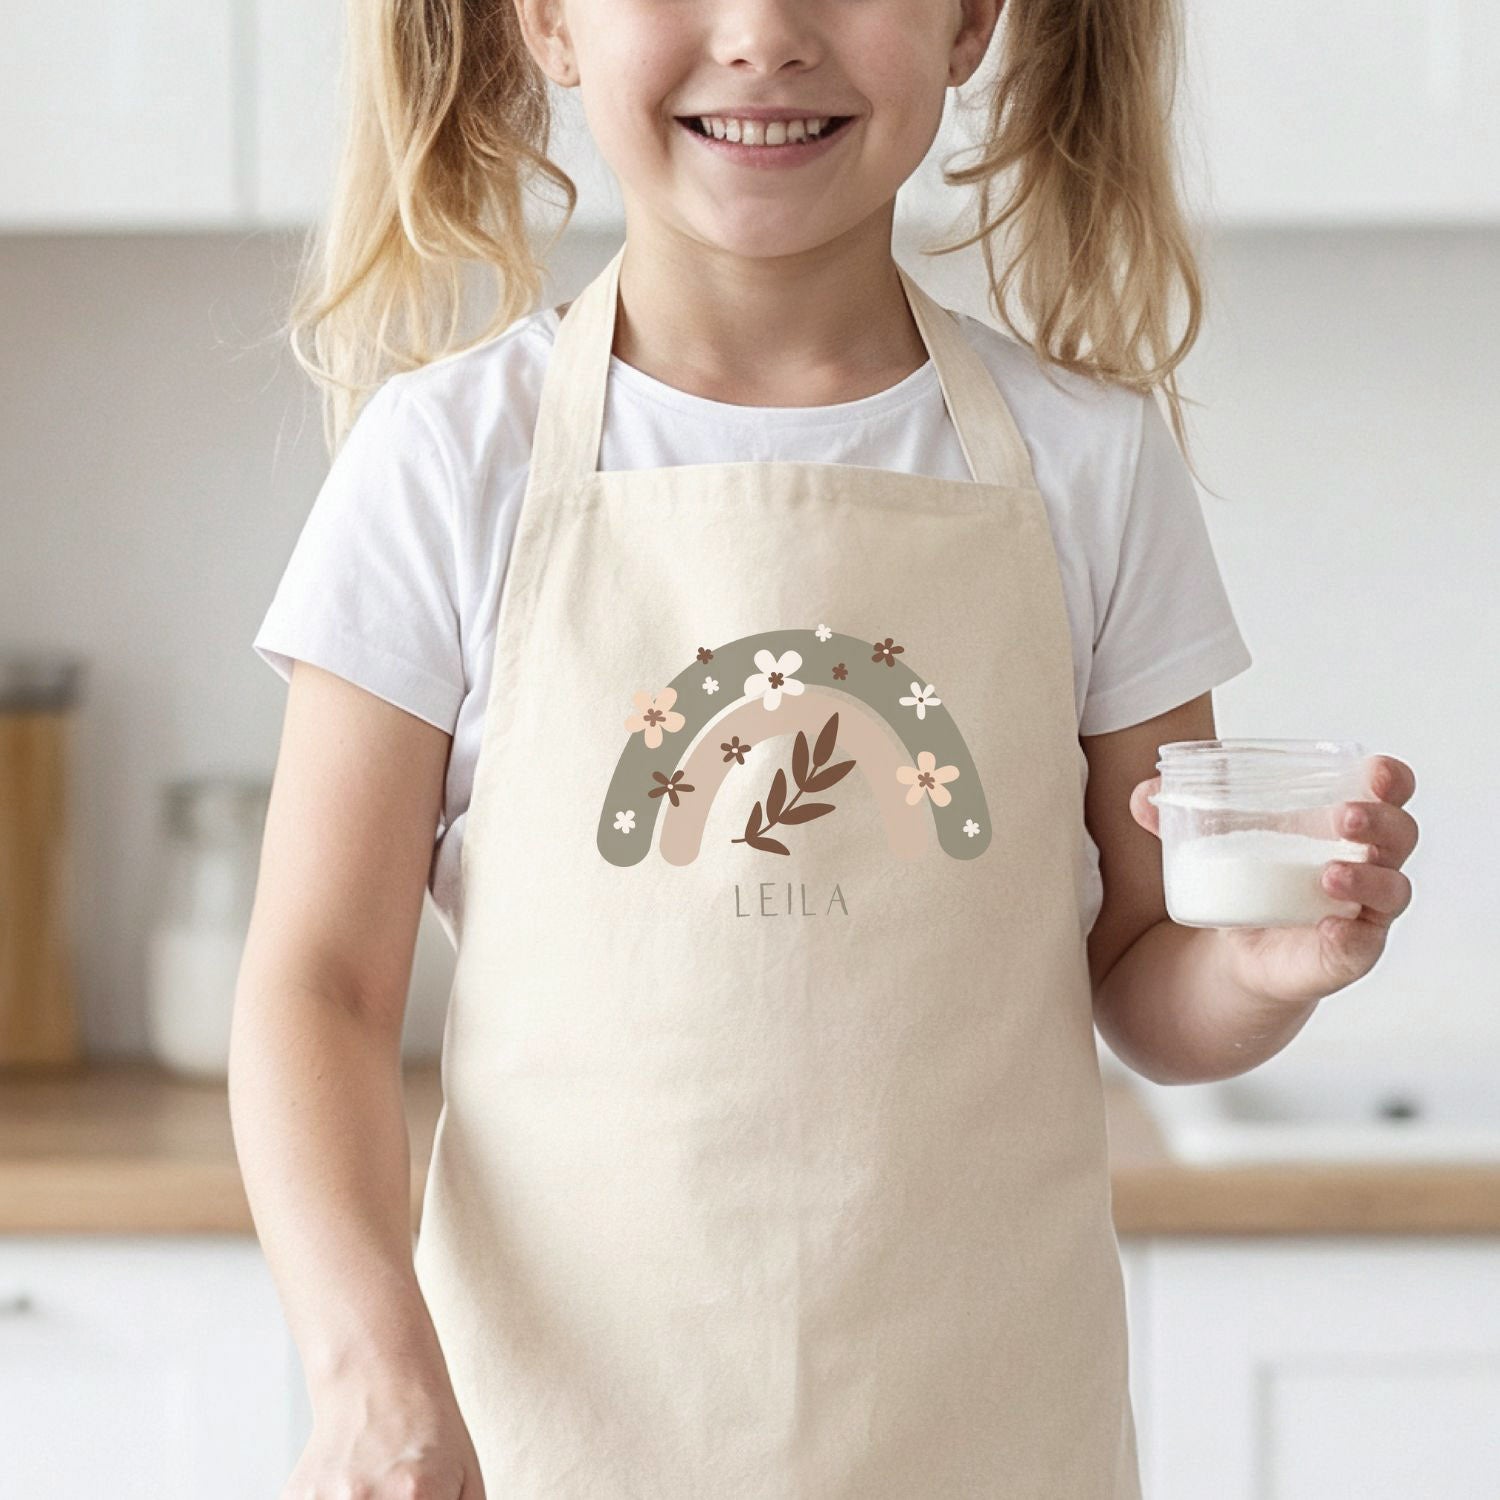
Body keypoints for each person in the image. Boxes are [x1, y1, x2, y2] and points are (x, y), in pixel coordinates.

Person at [229, 1, 1420, 1496]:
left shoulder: (1091, 465)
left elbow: (1143, 972)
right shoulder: (444, 465)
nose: (764, 33)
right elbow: (315, 988)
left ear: (971, 20)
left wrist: (1261, 966)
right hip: (550, 1444)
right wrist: (368, 1373)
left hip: (987, 1440)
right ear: (546, 21)